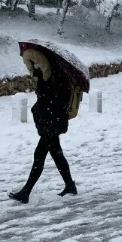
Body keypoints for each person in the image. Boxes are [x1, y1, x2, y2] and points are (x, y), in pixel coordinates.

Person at [10, 48, 77, 204]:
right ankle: (70, 185)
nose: (35, 67)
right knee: (56, 154)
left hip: (53, 123)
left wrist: (44, 87)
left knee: (39, 155)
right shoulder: (48, 77)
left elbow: (57, 100)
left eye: (37, 64)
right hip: (49, 122)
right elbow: (45, 100)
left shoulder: (59, 77)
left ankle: (26, 192)